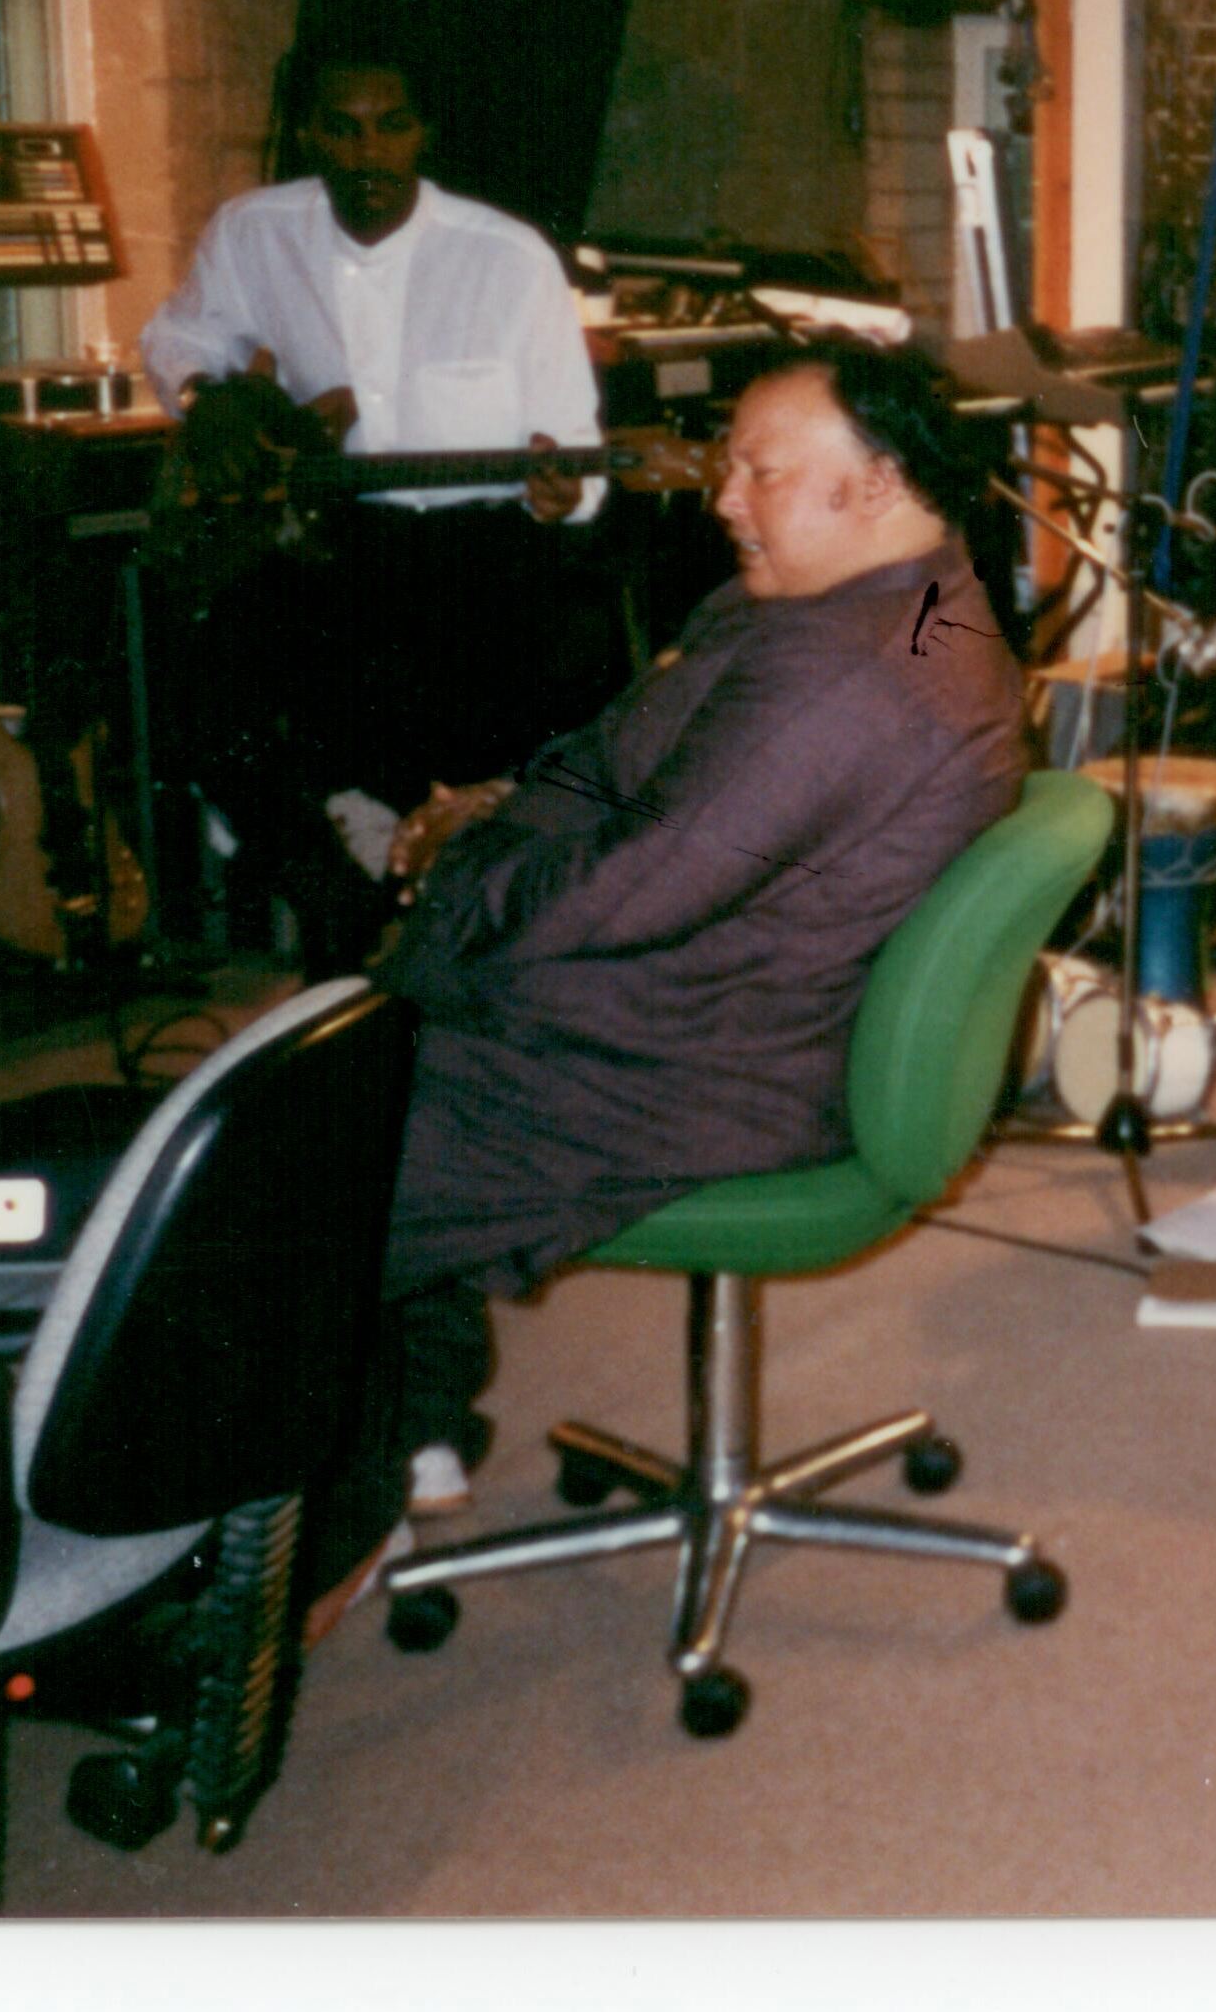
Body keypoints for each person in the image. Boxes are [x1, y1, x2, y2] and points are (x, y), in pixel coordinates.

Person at [340, 335, 1026, 1550]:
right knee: (335, 1071)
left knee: (265, 1179)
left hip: (670, 1075)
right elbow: (654, 778)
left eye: (758, 472)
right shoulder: (921, 602)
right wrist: (501, 805)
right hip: (727, 1019)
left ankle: (300, 1545)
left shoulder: (843, 684)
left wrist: (452, 884)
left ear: (871, 484)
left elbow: (619, 895)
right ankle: (408, 1424)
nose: (722, 498)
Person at [137, 51, 620, 971]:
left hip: (483, 549)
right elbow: (181, 333)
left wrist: (564, 487)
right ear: (310, 132)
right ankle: (345, 919)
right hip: (333, 542)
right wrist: (206, 399)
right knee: (203, 691)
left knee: (482, 744)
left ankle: (450, 943)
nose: (368, 150)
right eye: (342, 126)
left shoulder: (506, 257)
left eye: (390, 125)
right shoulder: (253, 232)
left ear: (424, 132)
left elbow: (571, 444)